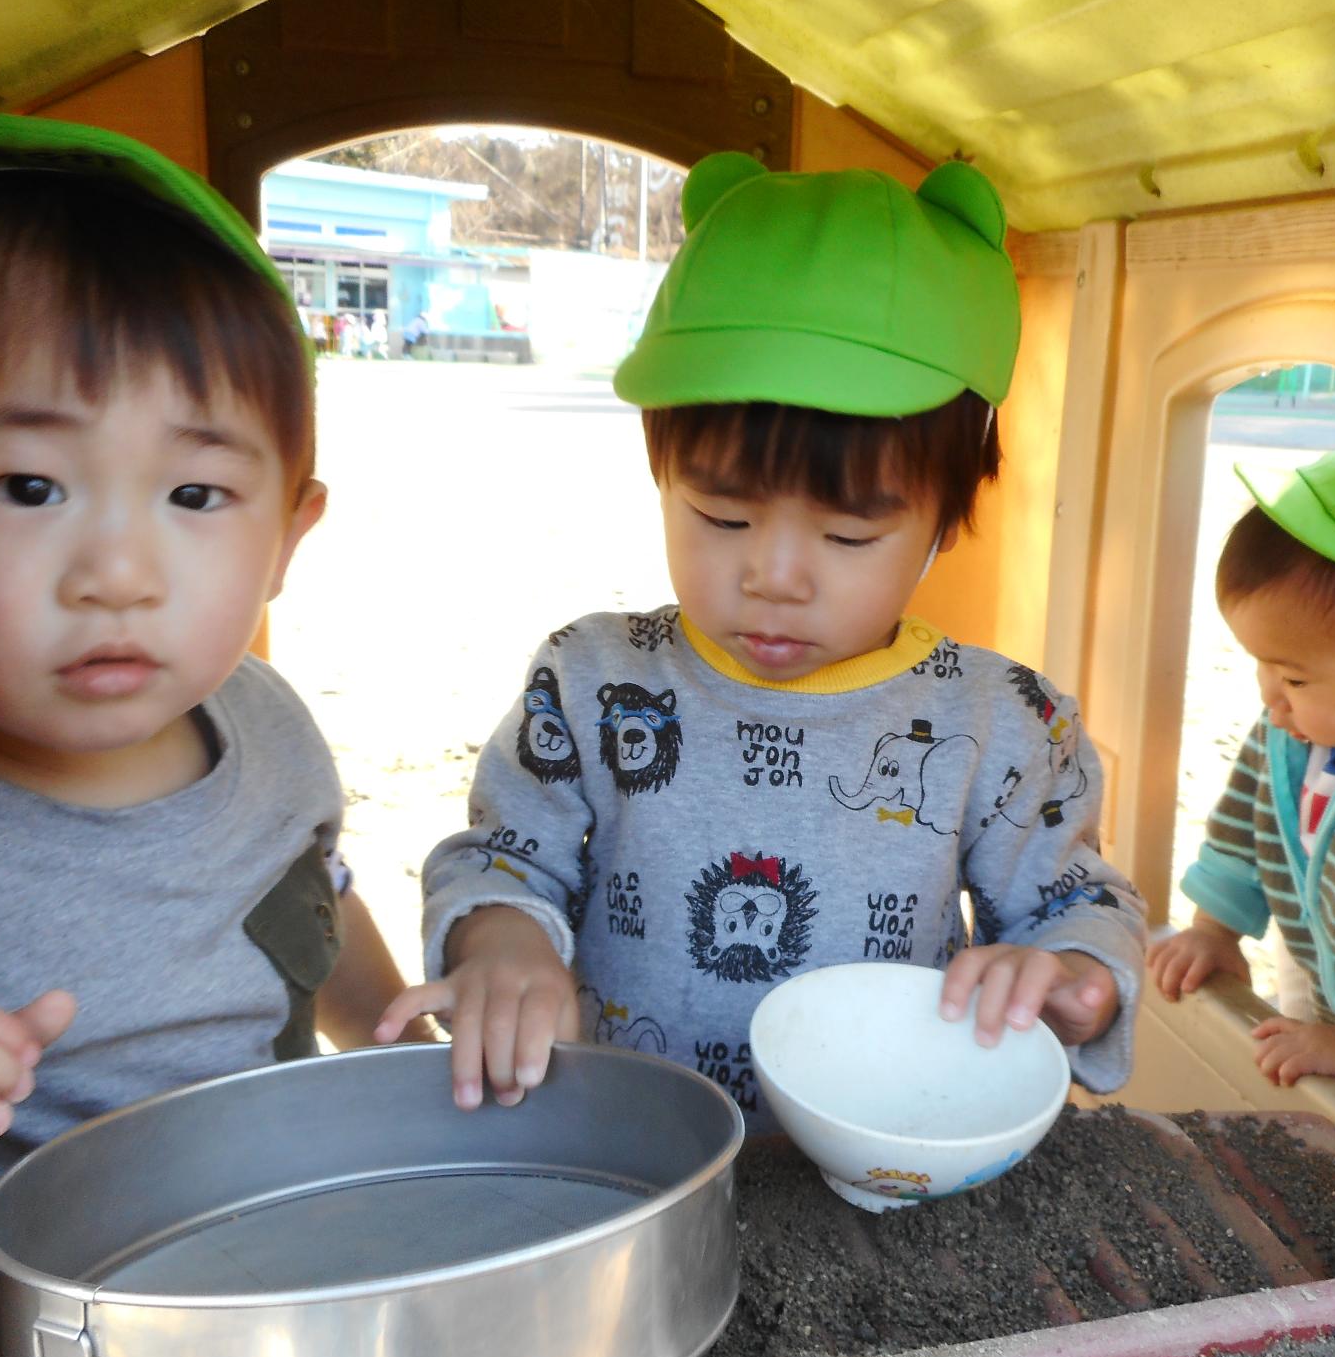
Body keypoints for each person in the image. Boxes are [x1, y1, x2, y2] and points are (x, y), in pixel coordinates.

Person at [378, 152, 1147, 1120]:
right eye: (721, 517)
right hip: (627, 1136)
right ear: (662, 474)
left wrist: (1076, 977)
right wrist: (500, 944)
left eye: (847, 534)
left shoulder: (1000, 721)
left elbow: (1072, 903)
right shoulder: (593, 680)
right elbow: (505, 856)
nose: (773, 577)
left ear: (943, 523)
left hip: (886, 1146)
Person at [0, 111, 416, 1193]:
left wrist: (392, 1044)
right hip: (23, 1327)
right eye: (30, 486)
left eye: (194, 495)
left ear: (284, 543)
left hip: (288, 1255)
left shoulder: (268, 724)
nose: (118, 572)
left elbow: (311, 896)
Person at [1144, 437, 1335, 1085]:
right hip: (1316, 957)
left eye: (1296, 677)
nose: (1270, 696)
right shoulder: (1290, 732)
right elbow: (1240, 826)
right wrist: (1214, 929)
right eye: (1263, 665)